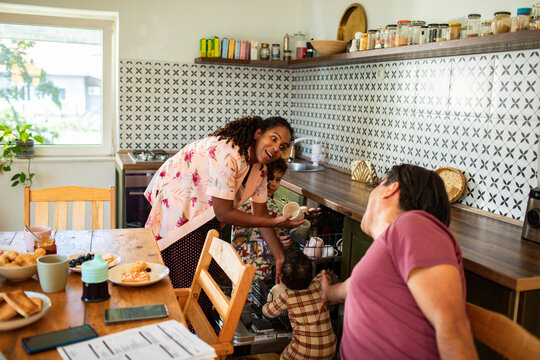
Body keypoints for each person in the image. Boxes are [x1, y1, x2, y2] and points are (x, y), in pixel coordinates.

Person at [320, 164, 478, 359]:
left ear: (391, 188)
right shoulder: (385, 255)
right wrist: (326, 291)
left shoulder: (413, 224)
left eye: (377, 185)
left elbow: (453, 327)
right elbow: (349, 289)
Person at [144, 116, 305, 291]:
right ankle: (183, 318)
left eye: (282, 147)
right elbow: (224, 213)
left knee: (204, 281)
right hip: (180, 211)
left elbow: (261, 214)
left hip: (205, 216)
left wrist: (279, 256)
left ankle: (196, 316)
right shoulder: (228, 152)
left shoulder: (260, 170)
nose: (276, 148)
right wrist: (275, 222)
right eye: (274, 138)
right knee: (187, 284)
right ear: (258, 133)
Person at [263, 251, 336, 360]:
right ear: (311, 273)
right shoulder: (320, 286)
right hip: (330, 347)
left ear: (283, 280)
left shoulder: (287, 296)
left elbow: (268, 312)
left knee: (284, 357)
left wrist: (268, 302)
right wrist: (327, 274)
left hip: (304, 350)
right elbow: (323, 277)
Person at [232, 158, 292, 281]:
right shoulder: (244, 207)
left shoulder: (272, 205)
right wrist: (269, 246)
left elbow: (275, 236)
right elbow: (238, 249)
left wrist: (281, 240)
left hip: (270, 274)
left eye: (278, 180)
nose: (274, 184)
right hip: (246, 278)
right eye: (271, 178)